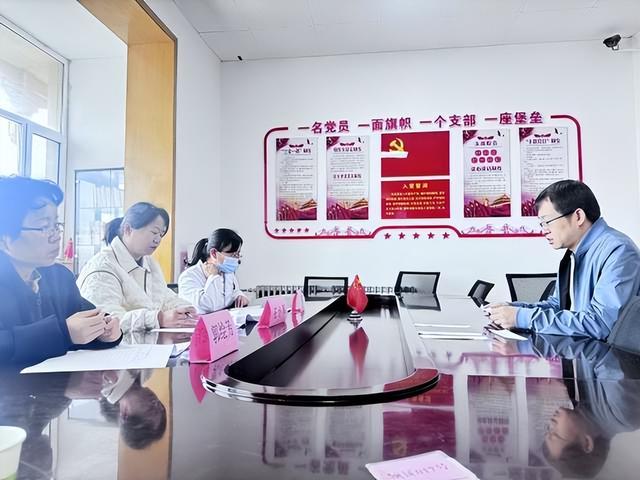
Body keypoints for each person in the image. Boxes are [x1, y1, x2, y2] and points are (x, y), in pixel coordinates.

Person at [488, 180, 640, 339]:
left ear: (578, 216)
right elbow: (559, 306)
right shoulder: (574, 253)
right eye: (541, 224)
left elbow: (600, 324)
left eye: (547, 222)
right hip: (579, 348)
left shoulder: (618, 251)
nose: (544, 231)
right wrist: (513, 309)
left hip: (605, 353)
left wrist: (521, 317)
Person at [0, 176, 121, 367]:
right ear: (5, 240)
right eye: (44, 227)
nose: (56, 236)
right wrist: (63, 333)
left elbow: (86, 318)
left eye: (56, 225)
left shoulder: (59, 276)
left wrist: (104, 331)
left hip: (54, 385)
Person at [77, 202, 196, 332]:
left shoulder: (150, 263)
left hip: (146, 341)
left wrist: (187, 311)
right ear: (128, 229)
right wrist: (157, 319)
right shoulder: (102, 267)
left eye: (161, 235)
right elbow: (106, 319)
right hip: (118, 344)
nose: (158, 240)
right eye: (154, 232)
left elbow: (166, 298)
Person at [178, 228, 249, 313]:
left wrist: (240, 296)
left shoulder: (226, 272)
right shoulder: (188, 276)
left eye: (238, 254)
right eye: (233, 255)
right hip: (199, 321)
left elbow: (234, 293)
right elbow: (207, 306)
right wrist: (213, 276)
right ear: (214, 253)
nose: (237, 259)